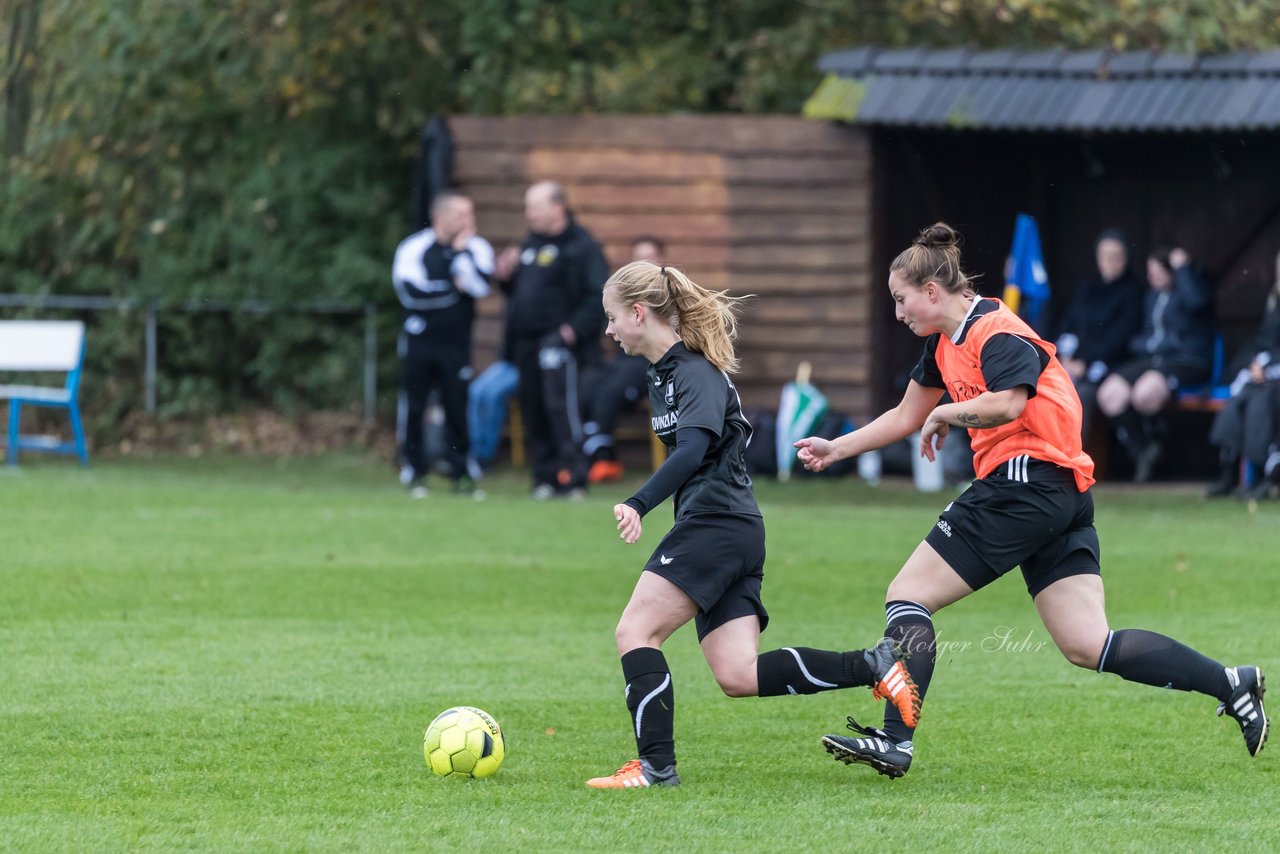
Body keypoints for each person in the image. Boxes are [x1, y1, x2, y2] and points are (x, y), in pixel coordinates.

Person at [795, 223, 1267, 780]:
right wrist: (837, 447)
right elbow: (905, 416)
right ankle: (1231, 682)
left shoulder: (995, 331)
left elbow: (1010, 405)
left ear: (931, 291)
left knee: (907, 596)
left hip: (1025, 481)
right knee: (1088, 643)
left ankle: (895, 739)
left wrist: (947, 413)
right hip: (1059, 493)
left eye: (901, 300)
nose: (898, 312)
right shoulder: (944, 345)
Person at [585, 261, 921, 790]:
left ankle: (655, 769)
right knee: (738, 674)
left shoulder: (693, 372)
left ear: (637, 312)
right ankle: (874, 664)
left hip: (716, 526)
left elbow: (694, 449)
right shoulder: (665, 374)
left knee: (635, 631)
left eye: (610, 318)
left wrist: (639, 501)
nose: (607, 330)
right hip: (731, 527)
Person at [495, 180, 609, 499]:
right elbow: (524, 294)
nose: (528, 213)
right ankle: (544, 478)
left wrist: (573, 330)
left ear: (558, 207)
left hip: (562, 346)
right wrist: (506, 278)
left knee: (562, 410)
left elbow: (598, 294)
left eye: (535, 206)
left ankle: (575, 478)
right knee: (533, 410)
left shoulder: (581, 245)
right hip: (526, 345)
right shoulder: (529, 244)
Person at [392, 191, 492, 498]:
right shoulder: (414, 248)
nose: (469, 222)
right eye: (462, 215)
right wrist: (453, 290)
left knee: (457, 406)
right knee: (415, 405)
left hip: (456, 344)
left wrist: (460, 259)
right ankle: (415, 470)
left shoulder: (475, 248)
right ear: (441, 218)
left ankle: (461, 473)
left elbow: (480, 286)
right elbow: (412, 295)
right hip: (420, 341)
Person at [1096, 246, 1215, 482]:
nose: (1152, 277)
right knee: (1109, 393)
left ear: (1173, 272)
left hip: (1186, 362)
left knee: (1145, 393)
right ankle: (1144, 449)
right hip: (1151, 360)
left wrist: (1182, 269)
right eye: (1150, 271)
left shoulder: (1191, 290)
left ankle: (1160, 444)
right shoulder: (1151, 296)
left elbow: (1198, 302)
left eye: (1158, 271)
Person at [581, 235, 667, 483]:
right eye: (638, 257)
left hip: (654, 365)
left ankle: (603, 459)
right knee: (588, 382)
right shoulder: (622, 296)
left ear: (661, 260)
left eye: (649, 257)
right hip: (623, 361)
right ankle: (591, 453)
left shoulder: (669, 295)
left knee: (611, 390)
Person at [1053, 229, 1145, 441]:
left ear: (1125, 259)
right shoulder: (1088, 287)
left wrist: (1085, 363)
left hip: (1112, 364)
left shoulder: (1132, 291)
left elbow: (1120, 336)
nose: (1110, 262)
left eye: (1116, 257)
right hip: (1074, 362)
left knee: (1081, 396)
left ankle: (1071, 460)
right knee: (1052, 389)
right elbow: (1069, 323)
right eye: (1105, 256)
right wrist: (1066, 358)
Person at [1207, 249, 1280, 498]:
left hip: (1275, 381)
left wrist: (1269, 368)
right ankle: (1227, 473)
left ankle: (1262, 475)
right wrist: (1253, 365)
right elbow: (1262, 343)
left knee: (1261, 403)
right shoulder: (1275, 303)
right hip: (1265, 376)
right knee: (1236, 402)